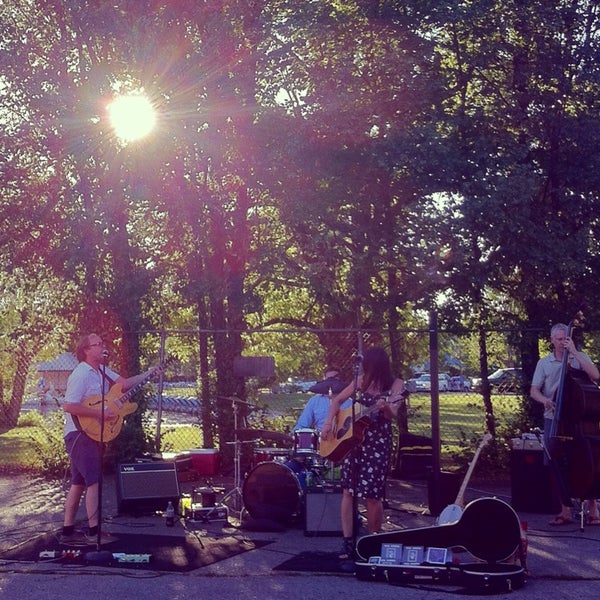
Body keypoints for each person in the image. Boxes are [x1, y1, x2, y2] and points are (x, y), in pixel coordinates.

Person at [60, 333, 157, 544]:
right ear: (86, 350)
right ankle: (94, 533)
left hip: (93, 433)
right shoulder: (81, 374)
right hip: (79, 434)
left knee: (78, 483)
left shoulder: (101, 371)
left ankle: (67, 531)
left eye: (103, 343)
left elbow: (124, 383)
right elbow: (69, 406)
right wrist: (101, 414)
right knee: (93, 481)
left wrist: (148, 374)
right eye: (98, 344)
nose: (103, 347)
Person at [321, 347, 406, 560]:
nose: (363, 369)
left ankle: (372, 542)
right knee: (348, 491)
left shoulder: (397, 385)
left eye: (366, 366)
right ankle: (348, 542)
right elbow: (337, 400)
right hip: (354, 442)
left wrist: (385, 407)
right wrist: (329, 421)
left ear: (376, 366)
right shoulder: (361, 382)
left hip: (378, 443)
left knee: (372, 494)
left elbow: (392, 414)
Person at [530, 322, 600, 526]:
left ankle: (593, 508)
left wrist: (575, 353)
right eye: (559, 339)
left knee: (589, 460)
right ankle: (565, 510)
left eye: (565, 339)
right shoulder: (544, 363)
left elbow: (596, 376)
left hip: (579, 421)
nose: (562, 342)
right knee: (555, 460)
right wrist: (545, 401)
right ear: (552, 340)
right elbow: (534, 390)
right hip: (554, 418)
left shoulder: (579, 357)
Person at [292, 366, 347, 432]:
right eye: (328, 379)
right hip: (322, 438)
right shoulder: (315, 401)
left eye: (334, 378)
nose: (331, 381)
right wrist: (293, 435)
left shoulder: (349, 402)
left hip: (344, 439)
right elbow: (303, 425)